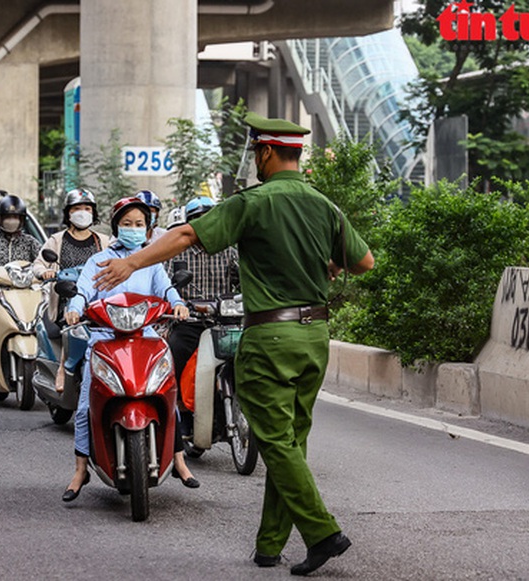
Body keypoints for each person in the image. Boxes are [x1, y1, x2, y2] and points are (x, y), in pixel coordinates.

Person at [91, 113, 375, 576]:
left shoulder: (255, 201)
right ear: (296, 154)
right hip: (315, 337)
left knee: (273, 440)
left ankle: (323, 532)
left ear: (265, 153)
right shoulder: (325, 206)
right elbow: (365, 261)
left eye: (256, 154)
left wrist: (131, 263)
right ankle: (269, 545)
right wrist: (330, 266)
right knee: (291, 442)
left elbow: (187, 234)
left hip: (270, 336)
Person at [60, 196, 196, 503]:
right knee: (84, 408)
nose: (133, 229)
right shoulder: (99, 261)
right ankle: (81, 469)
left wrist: (177, 304)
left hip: (146, 337)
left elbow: (167, 288)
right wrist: (74, 307)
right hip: (105, 339)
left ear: (147, 229)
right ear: (116, 227)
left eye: (139, 224)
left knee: (168, 397)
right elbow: (82, 291)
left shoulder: (150, 260)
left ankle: (178, 461)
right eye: (126, 224)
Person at [167, 196, 239, 437]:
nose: (204, 224)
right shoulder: (178, 252)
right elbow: (165, 286)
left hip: (224, 322)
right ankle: (182, 412)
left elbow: (245, 280)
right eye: (198, 220)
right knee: (175, 351)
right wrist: (178, 305)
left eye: (208, 218)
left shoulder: (229, 250)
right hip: (190, 322)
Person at [32, 188, 110, 391]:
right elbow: (39, 264)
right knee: (70, 322)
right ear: (68, 213)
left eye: (87, 208)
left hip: (97, 300)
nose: (82, 212)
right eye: (77, 208)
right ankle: (62, 368)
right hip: (66, 298)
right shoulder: (57, 240)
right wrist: (45, 273)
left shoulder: (103, 241)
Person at [0, 195, 42, 368]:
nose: (12, 221)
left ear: (22, 220)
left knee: (45, 317)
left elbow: (43, 261)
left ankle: (47, 359)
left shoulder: (31, 242)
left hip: (27, 292)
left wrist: (47, 272)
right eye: (8, 217)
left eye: (16, 217)